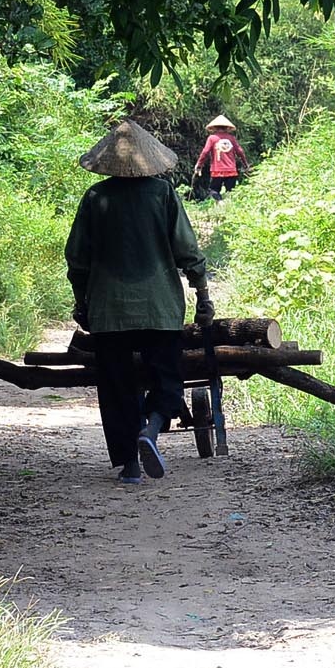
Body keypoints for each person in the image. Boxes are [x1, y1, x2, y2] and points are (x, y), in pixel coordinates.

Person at [64, 120, 212, 485]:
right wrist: (203, 294)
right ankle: (152, 427)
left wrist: (81, 301)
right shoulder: (162, 194)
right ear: (150, 160)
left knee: (116, 385)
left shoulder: (96, 198)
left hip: (109, 310)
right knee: (167, 377)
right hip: (159, 308)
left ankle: (130, 464)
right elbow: (187, 250)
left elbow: (77, 259)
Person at [191, 114, 248, 200]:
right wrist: (245, 164)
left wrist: (199, 165)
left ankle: (220, 203)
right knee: (231, 192)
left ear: (214, 127)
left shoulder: (212, 138)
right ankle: (230, 207)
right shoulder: (231, 138)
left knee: (214, 190)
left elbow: (205, 152)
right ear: (227, 128)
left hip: (217, 170)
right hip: (231, 170)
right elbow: (240, 151)